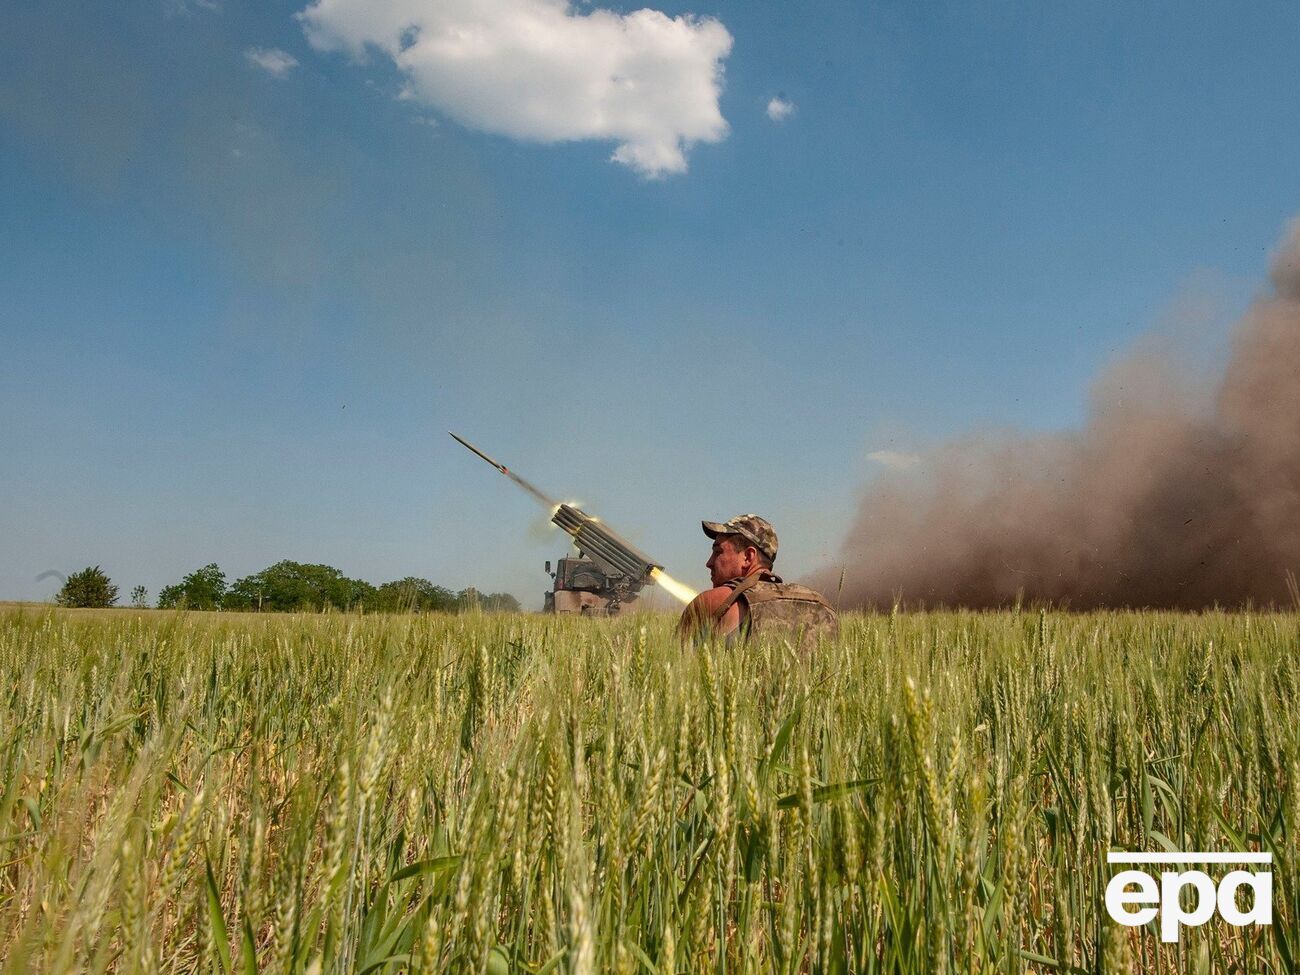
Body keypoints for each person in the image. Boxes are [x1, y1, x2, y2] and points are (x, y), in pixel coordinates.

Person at [677, 514, 838, 647]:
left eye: (718, 552)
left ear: (748, 557)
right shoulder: (823, 606)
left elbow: (674, 659)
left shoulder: (713, 601)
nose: (709, 563)